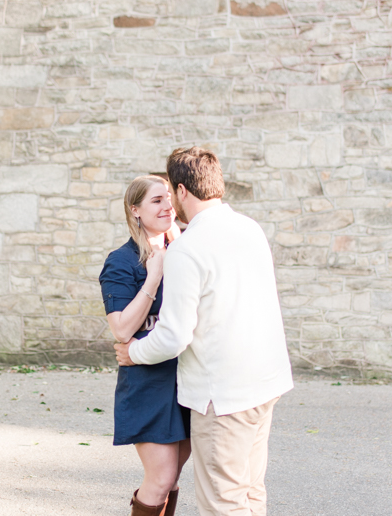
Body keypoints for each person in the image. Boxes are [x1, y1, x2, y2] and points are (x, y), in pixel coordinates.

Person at [115, 147, 294, 516]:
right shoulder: (249, 227)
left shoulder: (188, 248)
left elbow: (174, 335)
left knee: (223, 504)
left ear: (181, 191)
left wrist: (132, 352)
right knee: (250, 492)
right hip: (266, 382)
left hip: (224, 396)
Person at [99, 175, 190, 516]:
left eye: (168, 197)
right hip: (147, 384)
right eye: (156, 200)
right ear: (135, 210)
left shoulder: (184, 253)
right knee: (161, 475)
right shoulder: (122, 261)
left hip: (186, 380)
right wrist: (153, 275)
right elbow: (122, 329)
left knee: (172, 477)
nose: (167, 205)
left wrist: (174, 250)